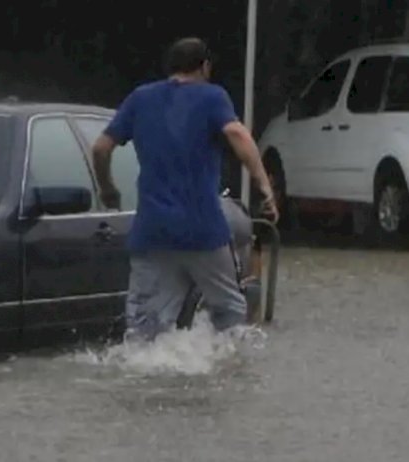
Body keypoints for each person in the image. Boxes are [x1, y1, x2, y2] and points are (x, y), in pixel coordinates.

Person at [91, 37, 278, 342]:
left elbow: (100, 148)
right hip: (203, 229)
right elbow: (236, 133)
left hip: (153, 231)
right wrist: (264, 186)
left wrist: (107, 188)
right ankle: (229, 376)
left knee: (144, 329)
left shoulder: (140, 98)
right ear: (205, 67)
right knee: (229, 314)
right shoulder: (212, 97)